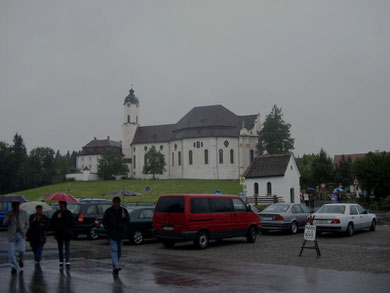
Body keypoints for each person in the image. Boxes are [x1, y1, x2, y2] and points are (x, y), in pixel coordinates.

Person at [103, 197, 130, 274]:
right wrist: (108, 230)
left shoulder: (123, 210)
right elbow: (104, 222)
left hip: (120, 234)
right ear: (113, 202)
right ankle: (116, 266)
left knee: (119, 251)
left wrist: (125, 218)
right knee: (114, 250)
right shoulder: (109, 211)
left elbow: (128, 220)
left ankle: (116, 264)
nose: (116, 204)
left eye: (118, 202)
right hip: (112, 234)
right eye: (115, 202)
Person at [3, 202, 29, 274]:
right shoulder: (9, 213)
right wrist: (9, 217)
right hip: (12, 234)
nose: (15, 206)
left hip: (21, 233)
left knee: (21, 250)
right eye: (13, 205)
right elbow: (4, 223)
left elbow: (27, 224)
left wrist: (25, 230)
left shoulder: (24, 213)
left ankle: (20, 260)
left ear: (18, 205)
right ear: (12, 206)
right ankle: (13, 266)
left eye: (16, 205)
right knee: (11, 252)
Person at [51, 201, 74, 269]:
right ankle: (61, 261)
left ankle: (67, 261)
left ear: (64, 205)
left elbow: (72, 222)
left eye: (61, 205)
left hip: (67, 233)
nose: (60, 206)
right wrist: (58, 218)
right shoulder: (57, 213)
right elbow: (53, 222)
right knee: (60, 248)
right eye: (60, 205)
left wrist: (70, 230)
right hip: (59, 233)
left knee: (67, 247)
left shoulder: (68, 213)